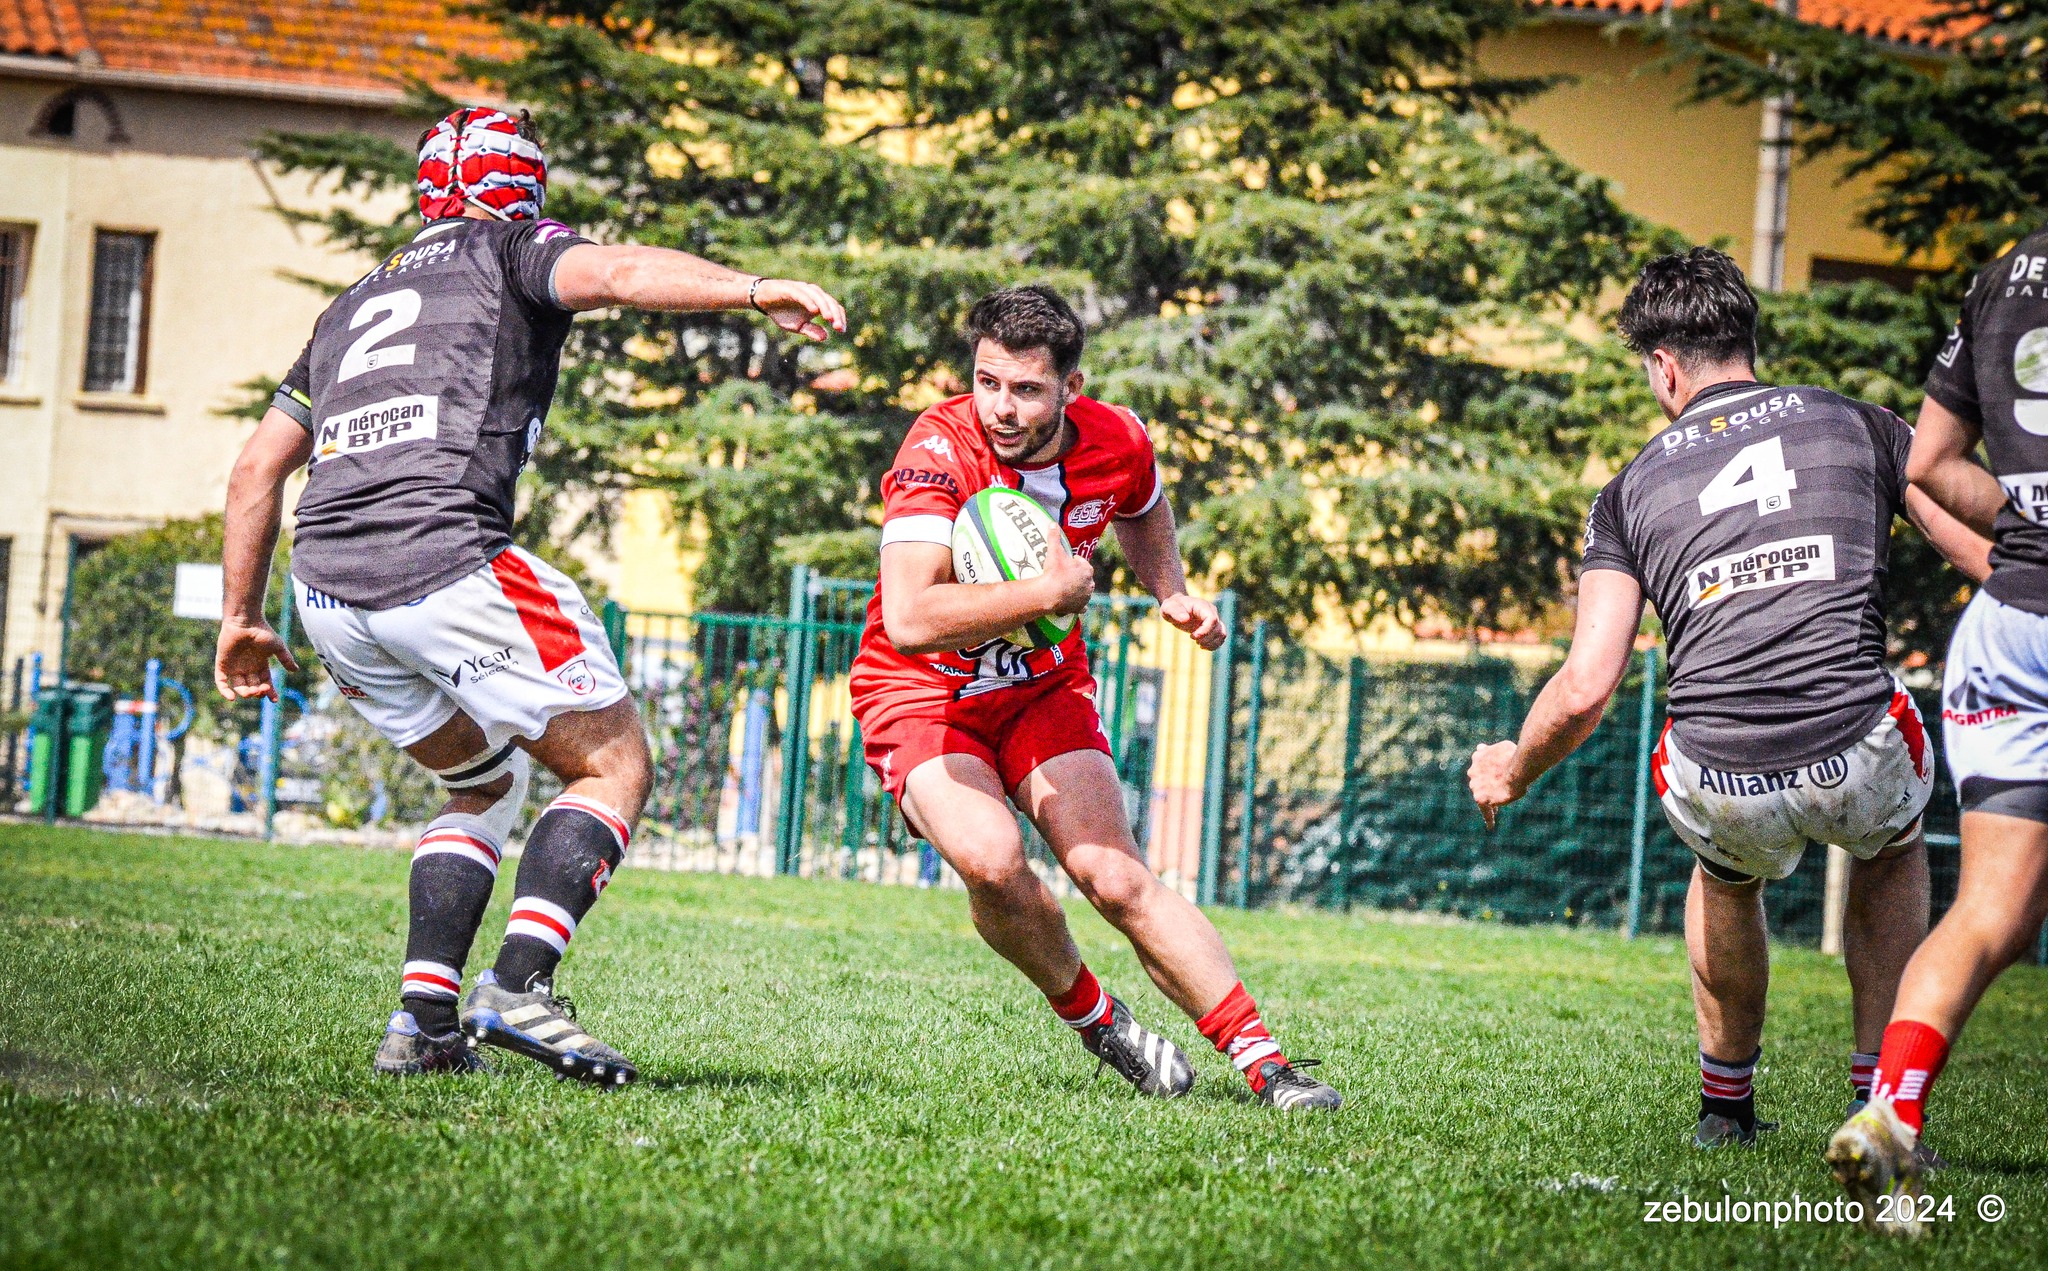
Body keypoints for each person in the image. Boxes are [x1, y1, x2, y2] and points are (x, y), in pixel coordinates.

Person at [215, 107, 846, 1086]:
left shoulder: (346, 309)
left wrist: (239, 617)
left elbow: (257, 469)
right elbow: (622, 275)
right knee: (613, 763)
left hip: (327, 589)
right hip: (444, 556)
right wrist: (755, 289)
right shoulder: (511, 251)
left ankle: (423, 1019)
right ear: (525, 191)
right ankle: (517, 984)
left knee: (481, 780)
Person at [1464, 248, 1990, 1148]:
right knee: (1890, 846)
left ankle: (1725, 1109)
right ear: (1746, 339)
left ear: (1665, 368)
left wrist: (1513, 766)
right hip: (1860, 737)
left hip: (1717, 771)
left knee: (1725, 873)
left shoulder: (1626, 491)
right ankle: (1881, 1106)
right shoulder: (1858, 423)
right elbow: (1975, 551)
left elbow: (1587, 686)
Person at [848, 284, 1341, 1110]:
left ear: (1071, 387)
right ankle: (1099, 1019)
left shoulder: (1116, 438)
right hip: (922, 692)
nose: (1002, 407)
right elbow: (909, 616)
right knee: (993, 862)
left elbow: (1144, 503)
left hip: (1042, 687)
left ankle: (1270, 1067)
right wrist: (1044, 593)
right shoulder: (939, 445)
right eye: (988, 381)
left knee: (1115, 879)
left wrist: (1169, 588)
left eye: (1027, 388)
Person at [1828, 224, 2048, 1223]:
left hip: (2007, 624)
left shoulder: (2005, 271)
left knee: (1989, 909)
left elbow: (1926, 460)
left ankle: (1887, 1117)